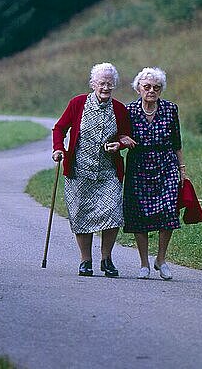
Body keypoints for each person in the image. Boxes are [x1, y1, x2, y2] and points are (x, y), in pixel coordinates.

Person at [52, 63, 135, 277]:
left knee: (113, 213)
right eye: (101, 83)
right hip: (79, 171)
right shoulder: (78, 103)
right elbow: (60, 128)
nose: (106, 87)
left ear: (114, 85)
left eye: (110, 84)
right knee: (82, 215)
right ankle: (85, 261)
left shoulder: (119, 109)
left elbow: (126, 136)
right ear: (93, 84)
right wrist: (59, 149)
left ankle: (106, 259)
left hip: (108, 172)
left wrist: (120, 144)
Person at [123, 67, 187, 280]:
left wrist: (182, 169)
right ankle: (143, 263)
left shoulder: (170, 109)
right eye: (147, 87)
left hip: (165, 164)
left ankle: (161, 259)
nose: (152, 91)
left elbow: (177, 142)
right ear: (138, 88)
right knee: (139, 215)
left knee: (169, 210)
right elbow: (119, 137)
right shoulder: (128, 110)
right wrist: (122, 140)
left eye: (156, 88)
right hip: (139, 166)